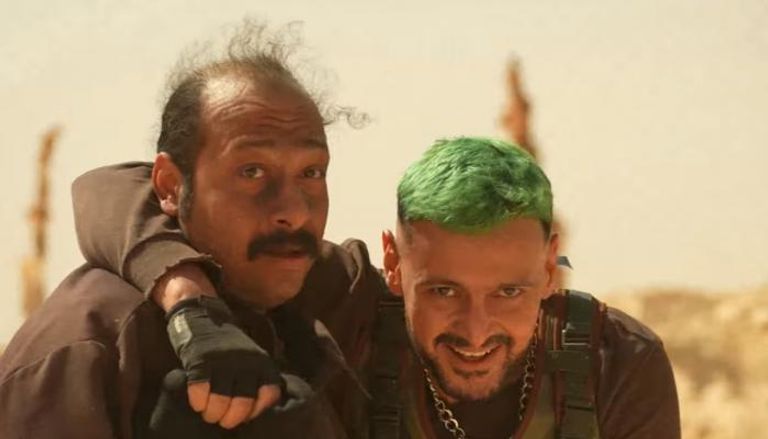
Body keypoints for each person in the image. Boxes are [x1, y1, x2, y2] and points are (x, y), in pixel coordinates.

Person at [68, 135, 681, 437]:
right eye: (442, 292)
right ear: (394, 263)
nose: (475, 331)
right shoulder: (352, 298)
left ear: (549, 267)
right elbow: (108, 190)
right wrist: (190, 304)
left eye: (508, 293)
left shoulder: (615, 364)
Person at [0, 20, 384, 438]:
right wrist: (191, 306)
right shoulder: (93, 342)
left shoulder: (329, 289)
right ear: (170, 185)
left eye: (311, 172)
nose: (293, 212)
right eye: (252, 172)